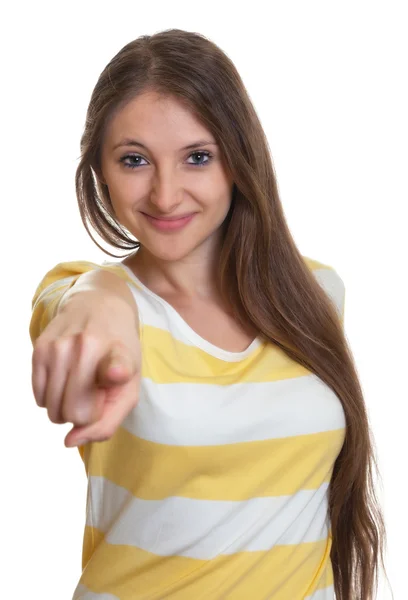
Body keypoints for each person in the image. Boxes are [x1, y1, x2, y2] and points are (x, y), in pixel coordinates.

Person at [29, 29, 390, 600]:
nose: (166, 195)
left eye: (197, 157)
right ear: (100, 172)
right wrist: (98, 301)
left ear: (238, 161)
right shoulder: (90, 299)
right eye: (134, 160)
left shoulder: (316, 293)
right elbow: (81, 305)